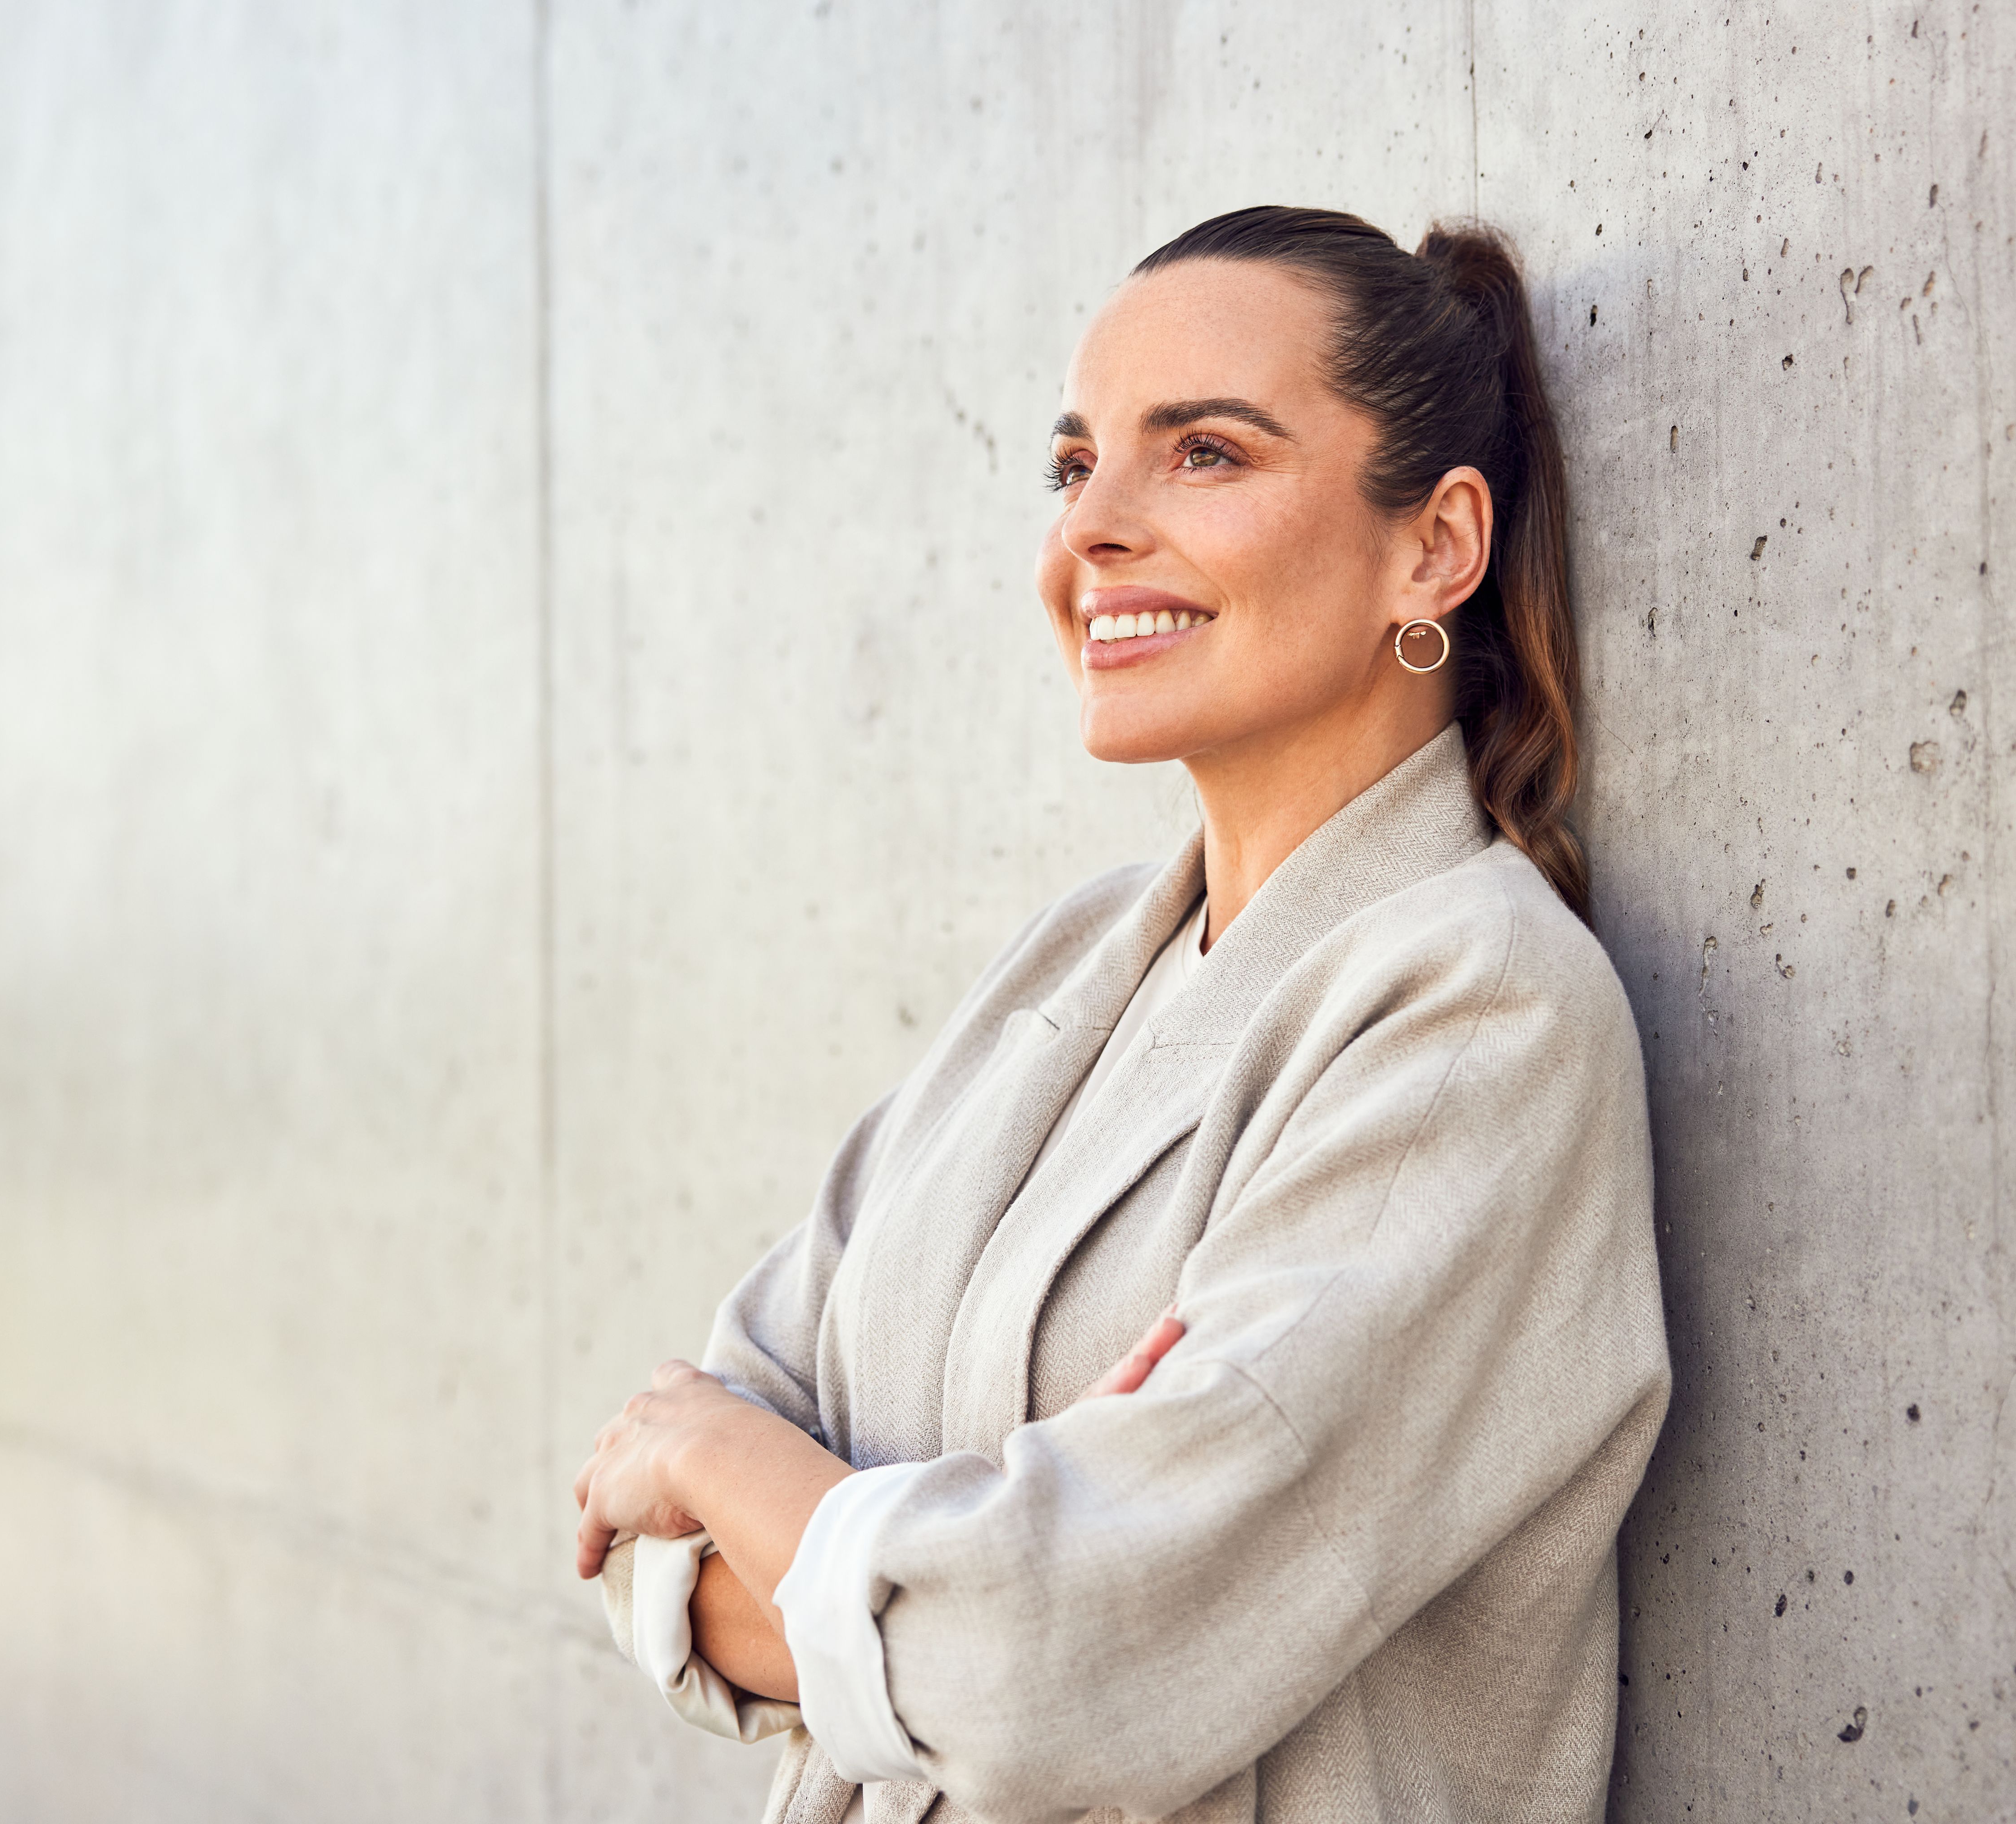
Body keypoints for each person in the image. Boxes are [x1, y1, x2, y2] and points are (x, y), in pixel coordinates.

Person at [570, 204, 1670, 1824]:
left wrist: (749, 1480)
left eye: (1206, 454)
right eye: (1075, 464)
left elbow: (1053, 1665)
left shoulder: (1483, 1017)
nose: (1095, 526)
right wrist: (953, 1550)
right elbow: (645, 1558)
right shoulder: (1072, 965)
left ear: (1434, 545)